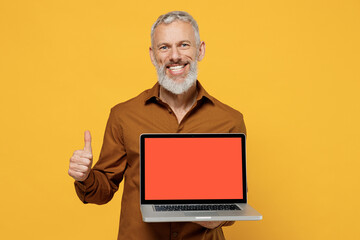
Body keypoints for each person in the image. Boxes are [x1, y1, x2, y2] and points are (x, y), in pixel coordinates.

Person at [68, 11, 246, 240]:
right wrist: (85, 177)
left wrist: (219, 217)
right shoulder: (124, 116)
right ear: (153, 55)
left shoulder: (229, 120)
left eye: (183, 45)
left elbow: (234, 198)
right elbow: (102, 192)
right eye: (164, 47)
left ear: (200, 50)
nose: (174, 56)